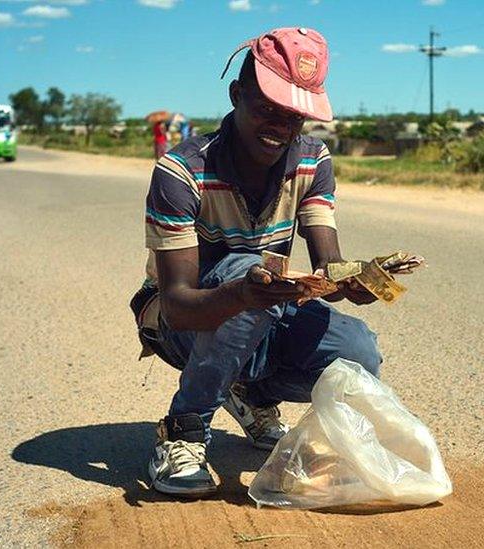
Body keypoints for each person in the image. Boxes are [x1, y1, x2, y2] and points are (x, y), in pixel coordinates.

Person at [130, 27, 382, 498]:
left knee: (358, 351)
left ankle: (251, 393)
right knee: (242, 271)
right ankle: (182, 432)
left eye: (295, 115)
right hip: (180, 321)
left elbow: (329, 262)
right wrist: (245, 292)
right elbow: (180, 305)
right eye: (268, 108)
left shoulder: (312, 160)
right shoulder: (182, 171)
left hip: (260, 306)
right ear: (236, 94)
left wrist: (354, 280)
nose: (281, 126)